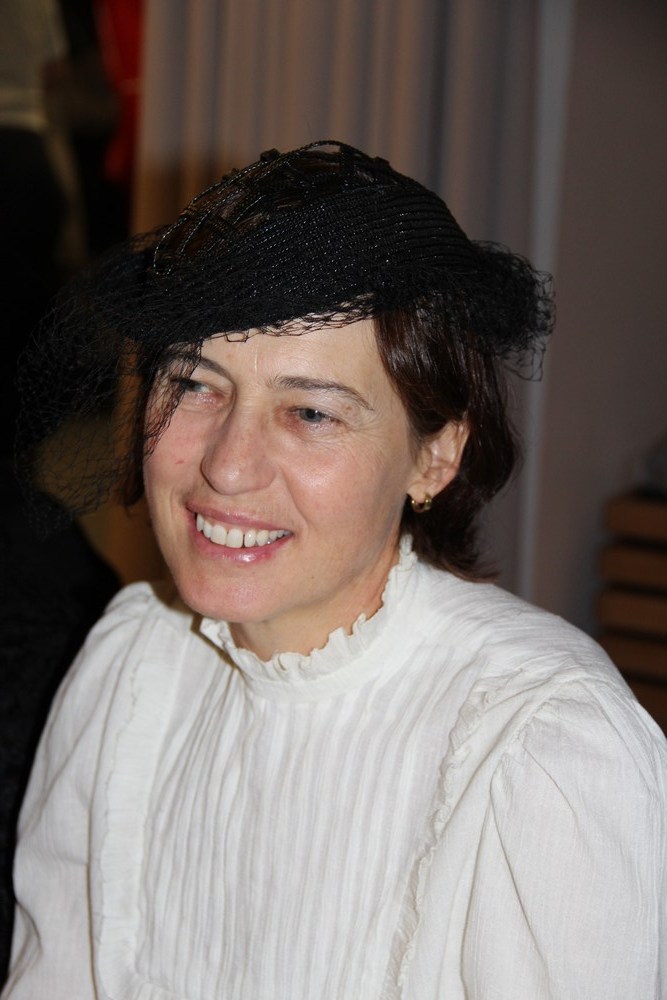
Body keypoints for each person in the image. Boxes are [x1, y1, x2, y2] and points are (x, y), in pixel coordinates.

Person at [3, 142, 666, 999]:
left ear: (434, 457)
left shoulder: (536, 746)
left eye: (310, 412)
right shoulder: (132, 663)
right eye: (196, 384)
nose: (227, 466)